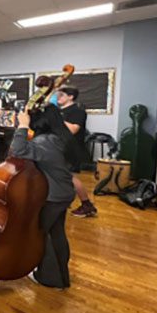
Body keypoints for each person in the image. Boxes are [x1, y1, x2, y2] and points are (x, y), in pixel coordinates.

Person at [10, 108, 77, 289]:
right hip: (64, 192)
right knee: (56, 232)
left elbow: (17, 149)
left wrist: (23, 125)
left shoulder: (44, 142)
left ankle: (50, 278)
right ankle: (62, 275)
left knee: (40, 234)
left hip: (53, 196)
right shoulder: (60, 137)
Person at [55, 86, 97, 218]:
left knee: (69, 177)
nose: (58, 97)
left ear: (70, 96)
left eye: (61, 95)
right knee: (60, 176)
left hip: (72, 149)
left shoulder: (78, 111)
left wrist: (56, 118)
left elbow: (73, 129)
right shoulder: (59, 111)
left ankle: (87, 205)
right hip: (60, 147)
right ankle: (63, 200)